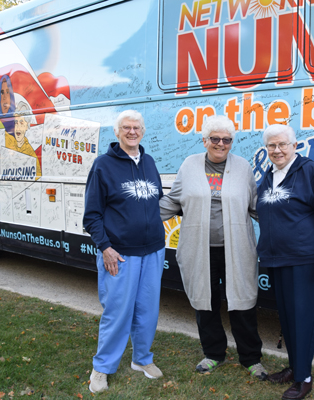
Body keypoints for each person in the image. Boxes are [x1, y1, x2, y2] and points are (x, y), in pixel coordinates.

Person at [159, 115, 267, 380]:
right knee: (205, 304)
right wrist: (137, 216)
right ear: (204, 140)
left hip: (236, 249)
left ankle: (251, 358)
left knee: (242, 304)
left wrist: (286, 224)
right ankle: (213, 353)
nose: (221, 144)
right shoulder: (190, 165)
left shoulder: (242, 167)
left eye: (226, 139)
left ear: (231, 142)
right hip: (200, 249)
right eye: (215, 139)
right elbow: (174, 201)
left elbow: (256, 206)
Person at [84, 110, 166, 394]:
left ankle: (141, 359)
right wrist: (105, 247)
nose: (132, 132)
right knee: (117, 312)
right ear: (117, 133)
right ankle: (102, 368)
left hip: (153, 251)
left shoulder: (149, 162)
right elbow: (91, 215)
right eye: (126, 128)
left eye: (137, 127)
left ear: (143, 131)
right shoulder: (103, 166)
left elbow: (157, 201)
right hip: (119, 254)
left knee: (147, 310)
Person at [257, 124, 314, 400]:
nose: (277, 150)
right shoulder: (269, 175)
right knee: (288, 318)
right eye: (271, 146)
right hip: (277, 258)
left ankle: (304, 378)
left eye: (282, 145)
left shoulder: (309, 171)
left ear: (294, 146)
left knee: (303, 319)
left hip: (303, 260)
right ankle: (294, 367)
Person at [4, 101, 41, 179]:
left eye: (21, 123)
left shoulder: (31, 154)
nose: (18, 128)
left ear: (27, 126)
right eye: (16, 123)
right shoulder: (8, 141)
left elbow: (37, 179)